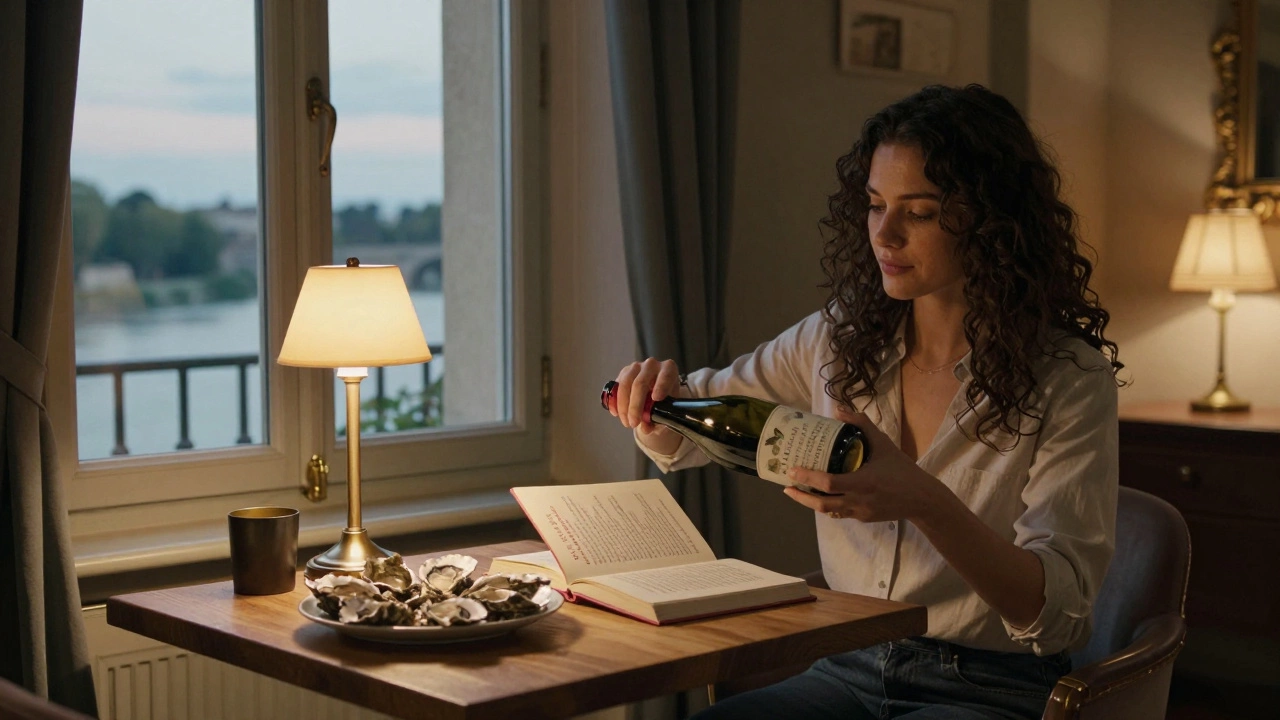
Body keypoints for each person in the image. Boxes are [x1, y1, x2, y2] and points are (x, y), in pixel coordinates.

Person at [607, 84, 1122, 720]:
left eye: (921, 212)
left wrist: (923, 500)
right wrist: (655, 399)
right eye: (875, 204)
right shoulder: (838, 336)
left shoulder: (1068, 377)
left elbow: (1059, 614)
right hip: (846, 664)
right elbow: (691, 424)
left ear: (992, 219)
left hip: (991, 685)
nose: (886, 232)